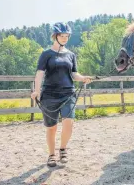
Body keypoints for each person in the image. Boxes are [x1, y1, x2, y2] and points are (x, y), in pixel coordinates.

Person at [31, 22, 92, 167]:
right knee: (51, 127)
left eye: (66, 36)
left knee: (69, 123)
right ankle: (51, 155)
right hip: (49, 95)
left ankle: (63, 149)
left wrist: (82, 78)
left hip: (68, 94)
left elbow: (74, 73)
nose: (65, 38)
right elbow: (39, 74)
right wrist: (37, 90)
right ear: (55, 36)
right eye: (62, 36)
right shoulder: (46, 54)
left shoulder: (71, 55)